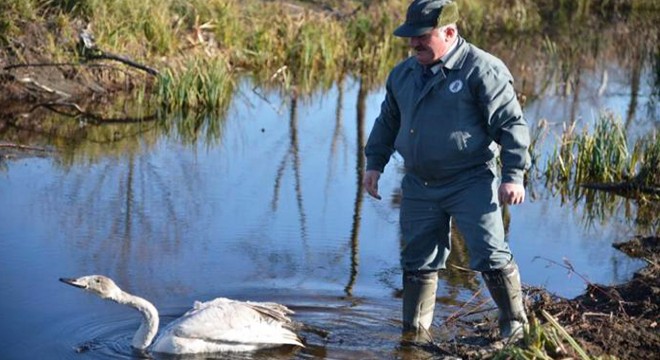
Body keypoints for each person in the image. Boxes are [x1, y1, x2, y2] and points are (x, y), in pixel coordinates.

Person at [363, 0, 531, 343]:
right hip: (419, 183)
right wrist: (374, 164)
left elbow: (512, 124)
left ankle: (515, 324)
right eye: (411, 38)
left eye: (422, 37)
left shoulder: (483, 70)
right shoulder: (403, 74)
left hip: (470, 179)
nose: (414, 44)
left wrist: (514, 175)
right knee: (417, 258)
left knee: (489, 252)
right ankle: (415, 334)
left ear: (449, 33)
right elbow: (387, 121)